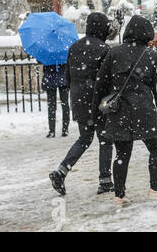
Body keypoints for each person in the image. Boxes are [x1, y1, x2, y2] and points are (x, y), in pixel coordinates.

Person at [92, 15, 157, 205]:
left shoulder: (113, 53)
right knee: (156, 149)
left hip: (119, 111)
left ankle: (119, 195)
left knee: (122, 154)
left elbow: (100, 84)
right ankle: (154, 188)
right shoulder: (153, 55)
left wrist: (97, 112)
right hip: (145, 110)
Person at [49, 12, 115, 196]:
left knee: (85, 139)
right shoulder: (104, 49)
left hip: (78, 99)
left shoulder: (75, 47)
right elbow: (107, 79)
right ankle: (105, 180)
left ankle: (61, 171)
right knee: (105, 140)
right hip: (98, 100)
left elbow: (68, 76)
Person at [42, 63, 70, 138]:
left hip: (50, 78)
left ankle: (52, 131)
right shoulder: (63, 53)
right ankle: (65, 129)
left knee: (51, 106)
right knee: (64, 104)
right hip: (62, 77)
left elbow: (40, 61)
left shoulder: (46, 54)